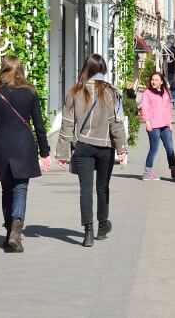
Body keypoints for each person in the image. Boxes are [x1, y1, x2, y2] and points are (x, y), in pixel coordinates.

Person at [0, 56, 51, 252]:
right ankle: (16, 230)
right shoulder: (30, 93)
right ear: (21, 71)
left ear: (2, 70)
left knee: (6, 190)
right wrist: (45, 152)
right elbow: (39, 126)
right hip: (23, 145)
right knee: (20, 188)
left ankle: (9, 231)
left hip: (0, 146)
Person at [56, 54, 128, 248]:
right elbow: (116, 122)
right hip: (105, 146)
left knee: (85, 189)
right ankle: (102, 226)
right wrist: (122, 148)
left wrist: (62, 153)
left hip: (83, 146)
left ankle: (88, 232)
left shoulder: (75, 92)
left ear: (85, 69)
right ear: (103, 70)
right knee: (102, 187)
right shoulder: (111, 92)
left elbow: (67, 124)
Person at [140, 71, 175, 181]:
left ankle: (173, 170)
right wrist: (147, 122)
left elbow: (168, 109)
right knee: (154, 149)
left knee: (170, 148)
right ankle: (147, 172)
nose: (153, 82)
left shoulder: (165, 92)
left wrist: (170, 123)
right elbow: (145, 108)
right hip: (154, 125)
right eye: (152, 80)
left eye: (156, 80)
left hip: (165, 124)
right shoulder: (147, 93)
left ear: (161, 82)